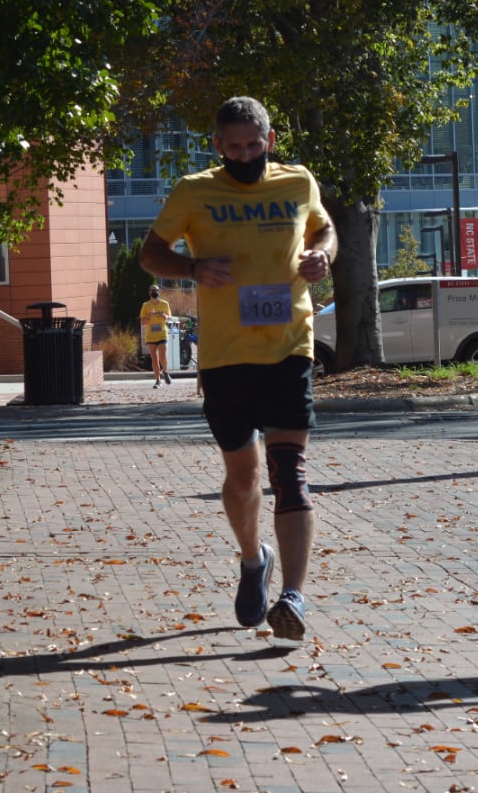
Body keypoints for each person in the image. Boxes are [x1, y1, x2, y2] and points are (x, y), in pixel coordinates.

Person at [139, 96, 337, 642]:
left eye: (254, 145)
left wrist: (324, 255)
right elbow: (150, 253)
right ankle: (254, 560)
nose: (245, 155)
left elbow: (323, 231)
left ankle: (293, 597)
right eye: (234, 147)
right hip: (226, 355)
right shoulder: (195, 191)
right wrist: (194, 267)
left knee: (288, 472)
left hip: (289, 345)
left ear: (269, 141)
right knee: (242, 475)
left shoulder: (297, 183)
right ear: (219, 146)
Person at [139, 284, 173, 389]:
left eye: (156, 290)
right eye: (152, 290)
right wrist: (149, 316)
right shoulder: (145, 305)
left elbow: (170, 318)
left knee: (163, 356)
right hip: (151, 335)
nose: (154, 292)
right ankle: (158, 380)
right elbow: (142, 322)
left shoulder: (164, 304)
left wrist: (165, 316)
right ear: (149, 292)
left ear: (159, 292)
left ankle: (165, 372)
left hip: (162, 333)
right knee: (154, 359)